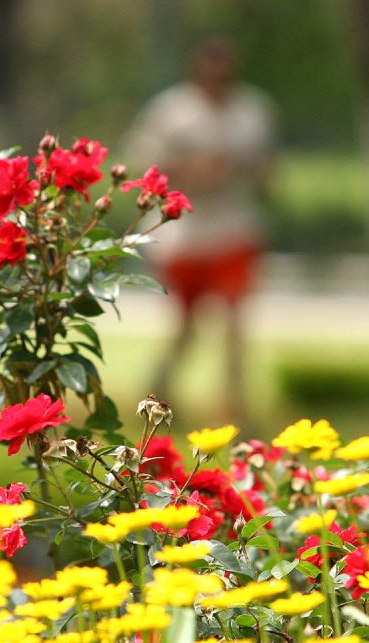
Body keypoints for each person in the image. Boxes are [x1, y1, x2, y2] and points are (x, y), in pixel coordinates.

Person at [123, 38, 277, 423]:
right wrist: (195, 169)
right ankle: (157, 395)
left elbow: (267, 171)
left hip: (234, 228)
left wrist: (252, 174)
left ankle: (236, 407)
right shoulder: (172, 112)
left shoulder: (252, 110)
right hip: (185, 234)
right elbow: (144, 167)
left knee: (236, 322)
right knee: (186, 326)